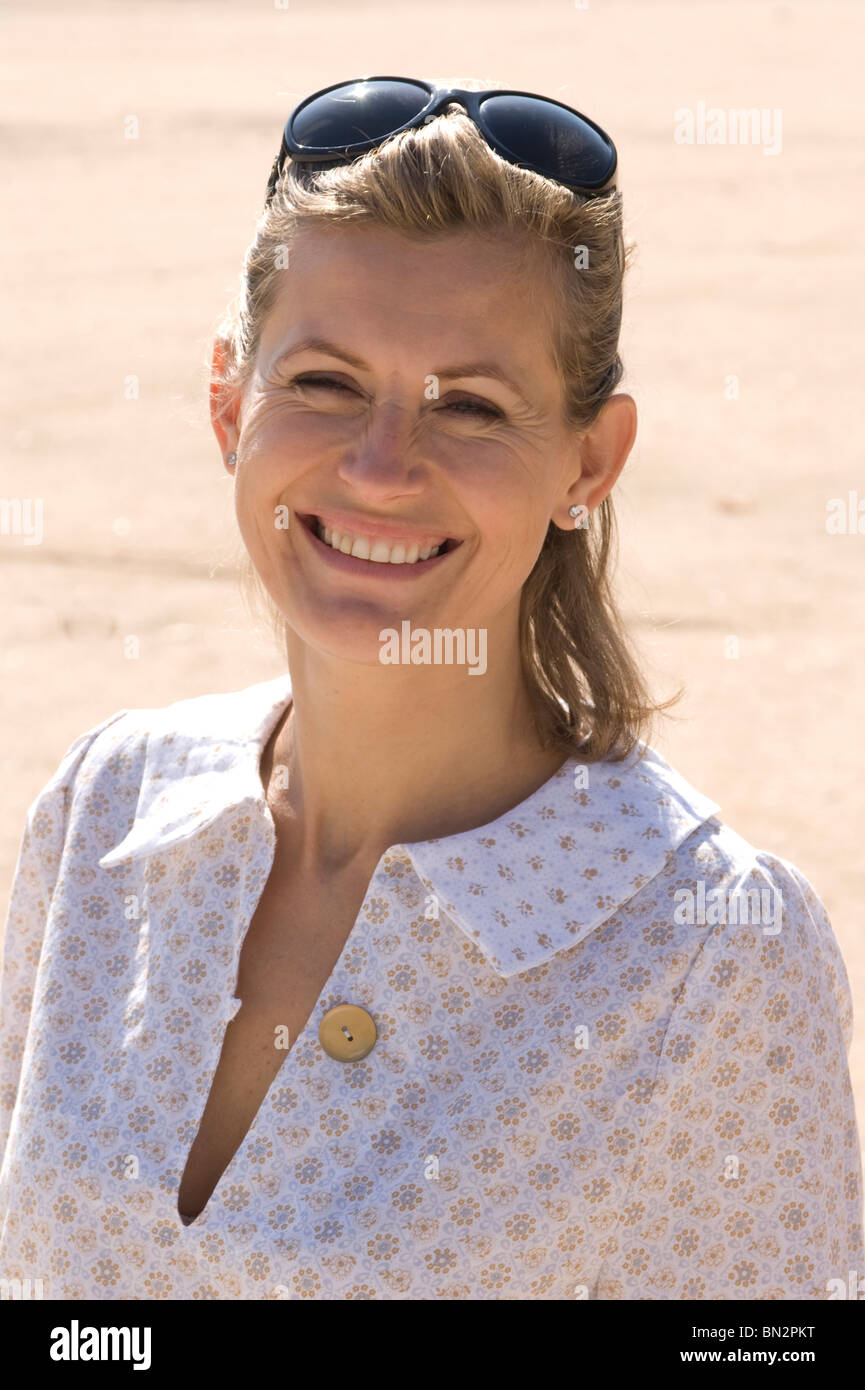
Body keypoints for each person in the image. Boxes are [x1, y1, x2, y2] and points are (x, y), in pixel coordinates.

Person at [0, 76, 861, 1301]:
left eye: (470, 405)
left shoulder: (712, 960)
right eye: (325, 384)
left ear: (589, 459)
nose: (380, 467)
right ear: (227, 402)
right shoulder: (103, 810)